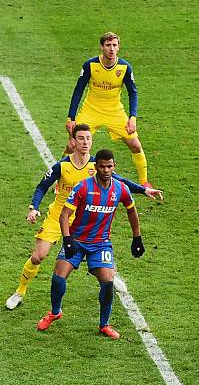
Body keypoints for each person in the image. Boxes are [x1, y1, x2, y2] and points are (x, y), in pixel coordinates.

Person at [5, 125, 162, 310]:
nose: (85, 142)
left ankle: (111, 275)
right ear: (73, 141)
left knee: (97, 247)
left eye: (88, 138)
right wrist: (34, 207)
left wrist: (144, 190)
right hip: (58, 216)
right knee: (38, 256)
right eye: (81, 138)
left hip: (83, 219)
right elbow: (42, 186)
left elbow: (121, 182)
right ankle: (20, 292)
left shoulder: (96, 166)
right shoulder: (62, 165)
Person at [37, 149, 146, 339]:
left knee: (108, 282)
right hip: (77, 240)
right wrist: (68, 239)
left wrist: (137, 238)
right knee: (58, 277)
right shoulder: (82, 187)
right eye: (102, 166)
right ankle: (55, 312)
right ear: (96, 167)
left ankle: (104, 324)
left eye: (109, 166)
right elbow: (64, 215)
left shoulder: (120, 189)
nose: (105, 170)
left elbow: (131, 211)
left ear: (114, 167)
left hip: (101, 244)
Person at [65, 32, 150, 185]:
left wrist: (132, 117)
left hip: (114, 111)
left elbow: (133, 93)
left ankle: (144, 182)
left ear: (118, 47)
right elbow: (78, 91)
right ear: (102, 47)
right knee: (72, 145)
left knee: (135, 145)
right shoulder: (90, 65)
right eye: (108, 45)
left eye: (114, 45)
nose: (111, 49)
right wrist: (71, 118)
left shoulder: (124, 67)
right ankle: (61, 183)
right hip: (91, 110)